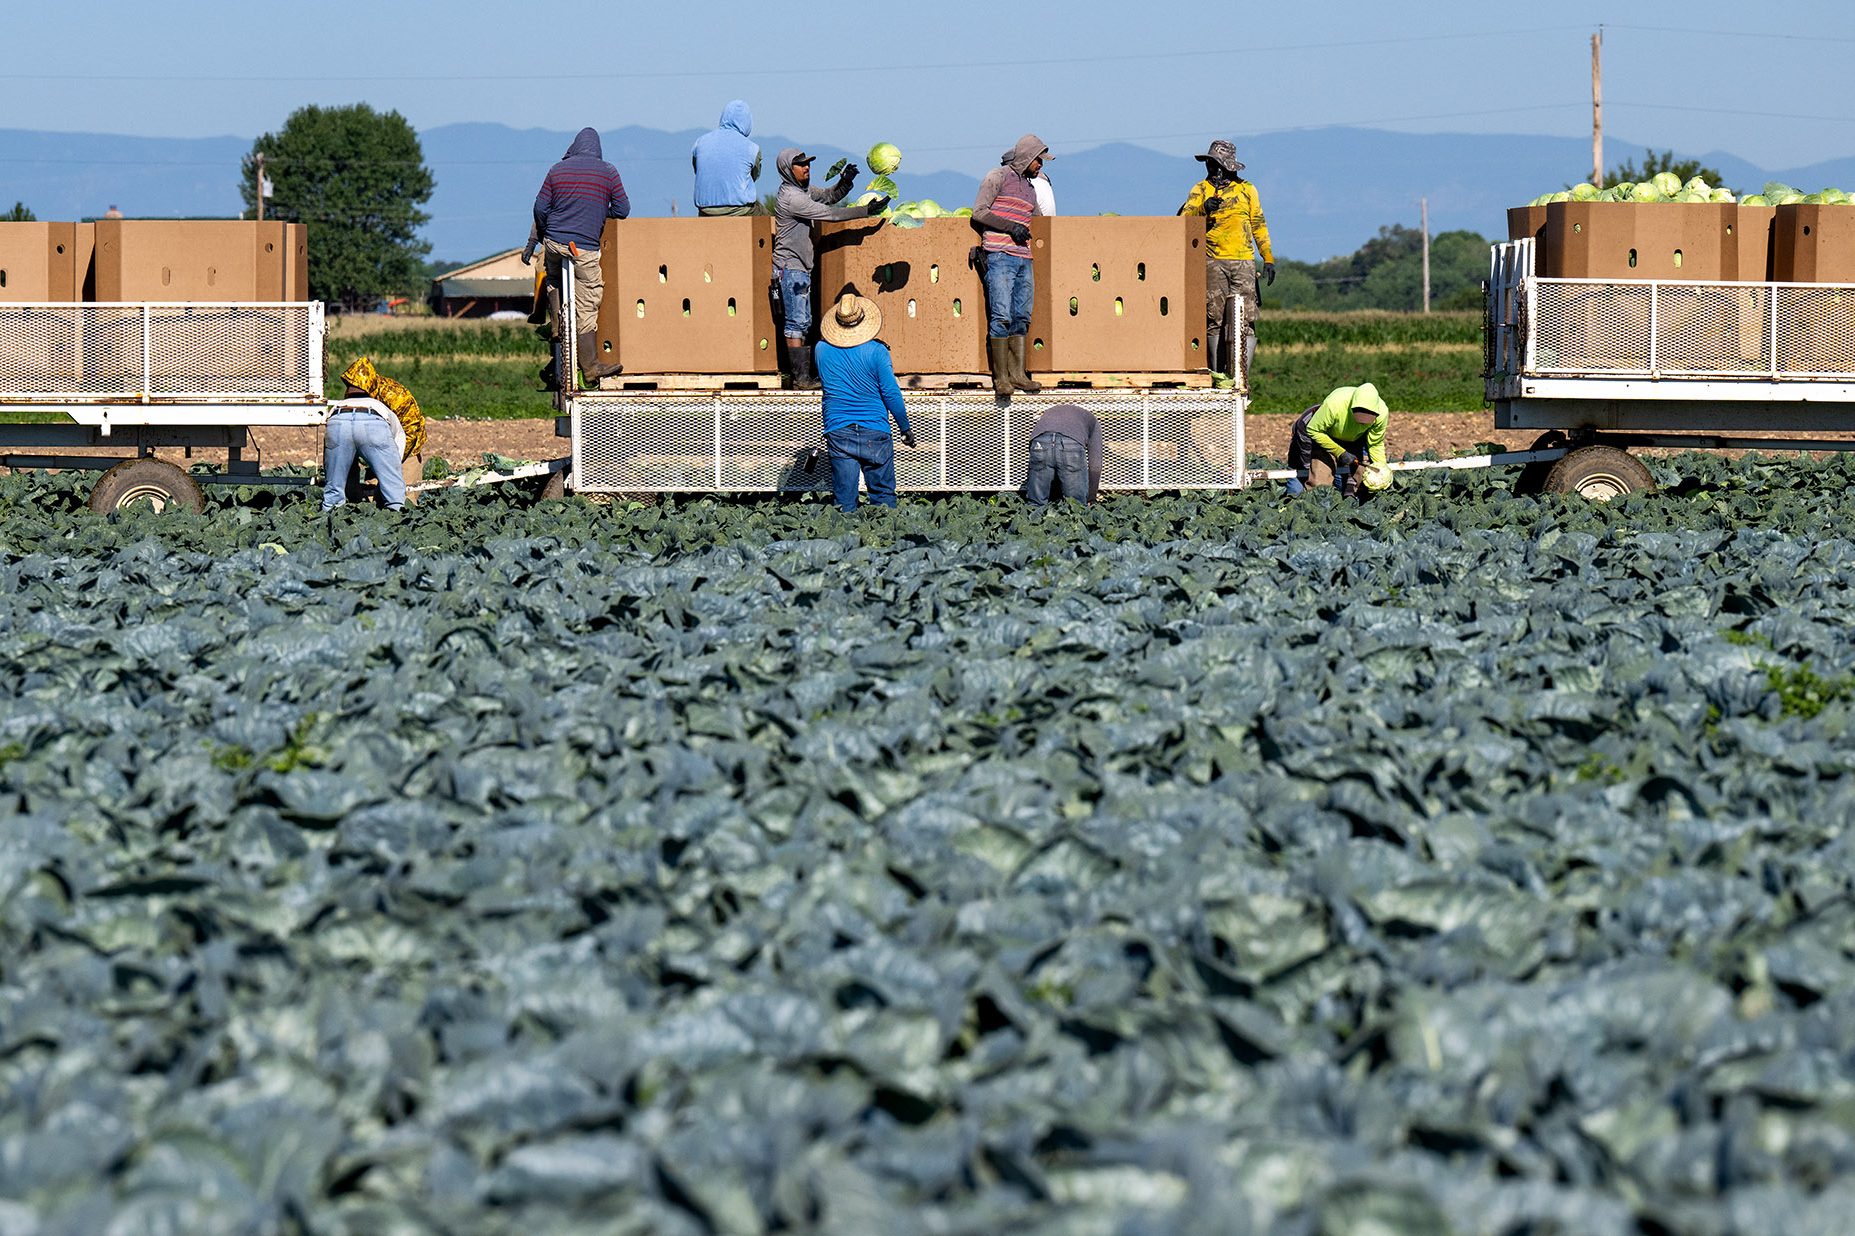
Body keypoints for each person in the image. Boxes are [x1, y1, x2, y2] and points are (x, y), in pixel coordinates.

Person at [773, 147, 885, 390]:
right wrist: (865, 211)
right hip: (790, 268)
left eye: (808, 163)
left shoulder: (802, 191)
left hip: (800, 267)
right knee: (796, 323)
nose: (807, 168)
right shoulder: (792, 198)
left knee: (804, 321)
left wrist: (845, 182)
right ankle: (801, 378)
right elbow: (829, 214)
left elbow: (827, 197)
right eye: (801, 164)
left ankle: (802, 376)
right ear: (788, 169)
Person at [529, 127, 630, 389]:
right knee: (588, 301)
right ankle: (591, 366)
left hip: (554, 243)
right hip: (583, 248)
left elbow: (540, 207)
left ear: (574, 147)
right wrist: (599, 211)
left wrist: (547, 230)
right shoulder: (608, 172)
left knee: (553, 277)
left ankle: (557, 325)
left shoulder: (556, 170)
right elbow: (623, 209)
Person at [1178, 139, 1274, 385]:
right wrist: (1203, 208)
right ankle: (1217, 375)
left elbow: (1258, 224)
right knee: (1215, 318)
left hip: (1243, 262)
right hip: (1212, 262)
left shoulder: (1246, 189)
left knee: (1245, 319)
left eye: (1216, 164)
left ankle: (1241, 377)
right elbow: (1184, 220)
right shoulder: (1200, 190)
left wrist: (1268, 258)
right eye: (1210, 164)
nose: (1212, 168)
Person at [815, 292, 915, 512]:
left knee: (843, 501)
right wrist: (904, 427)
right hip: (875, 430)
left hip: (838, 430)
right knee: (883, 497)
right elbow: (891, 393)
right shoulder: (877, 351)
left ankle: (844, 533)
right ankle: (885, 533)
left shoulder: (821, 350)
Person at [972, 134, 1050, 398]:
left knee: (1022, 315)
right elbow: (979, 212)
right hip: (1000, 254)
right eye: (1038, 160)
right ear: (1027, 157)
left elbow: (1037, 219)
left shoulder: (1030, 189)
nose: (1040, 165)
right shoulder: (998, 177)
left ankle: (1018, 374)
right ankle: (1002, 377)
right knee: (1001, 315)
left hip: (1024, 257)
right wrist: (1010, 227)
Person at [1285, 382, 1388, 498]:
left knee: (1360, 477)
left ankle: (1347, 496)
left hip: (1355, 439)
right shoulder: (1334, 405)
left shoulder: (1382, 413)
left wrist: (1381, 469)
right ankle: (1297, 500)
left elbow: (1375, 443)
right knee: (1317, 481)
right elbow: (1313, 431)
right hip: (1323, 438)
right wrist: (1339, 453)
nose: (1362, 424)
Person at [322, 381, 406, 512]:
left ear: (347, 394)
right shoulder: (380, 406)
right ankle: (396, 510)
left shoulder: (338, 405)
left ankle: (331, 514)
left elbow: (332, 457)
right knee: (392, 486)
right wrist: (390, 467)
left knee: (334, 488)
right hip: (373, 420)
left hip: (337, 420)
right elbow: (399, 438)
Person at [692, 100, 762, 216]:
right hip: (740, 210)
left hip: (706, 210)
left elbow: (697, 170)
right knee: (768, 220)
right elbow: (754, 176)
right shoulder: (752, 148)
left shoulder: (700, 143)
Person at [1023, 403, 1101, 506]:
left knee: (1036, 504)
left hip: (1040, 440)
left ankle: (1034, 512)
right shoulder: (1093, 422)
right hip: (1070, 443)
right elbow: (1096, 465)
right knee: (1076, 506)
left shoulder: (1051, 411)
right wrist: (1091, 497)